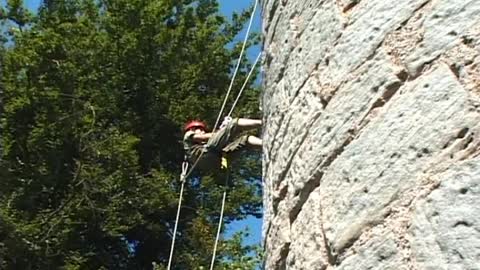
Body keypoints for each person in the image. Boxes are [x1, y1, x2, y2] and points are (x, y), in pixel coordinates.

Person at [183, 118, 262, 173]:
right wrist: (224, 129)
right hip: (207, 153)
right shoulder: (188, 135)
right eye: (200, 129)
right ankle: (263, 122)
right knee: (234, 123)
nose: (203, 131)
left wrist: (223, 131)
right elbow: (203, 137)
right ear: (192, 129)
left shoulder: (202, 145)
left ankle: (264, 144)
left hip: (216, 160)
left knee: (245, 140)